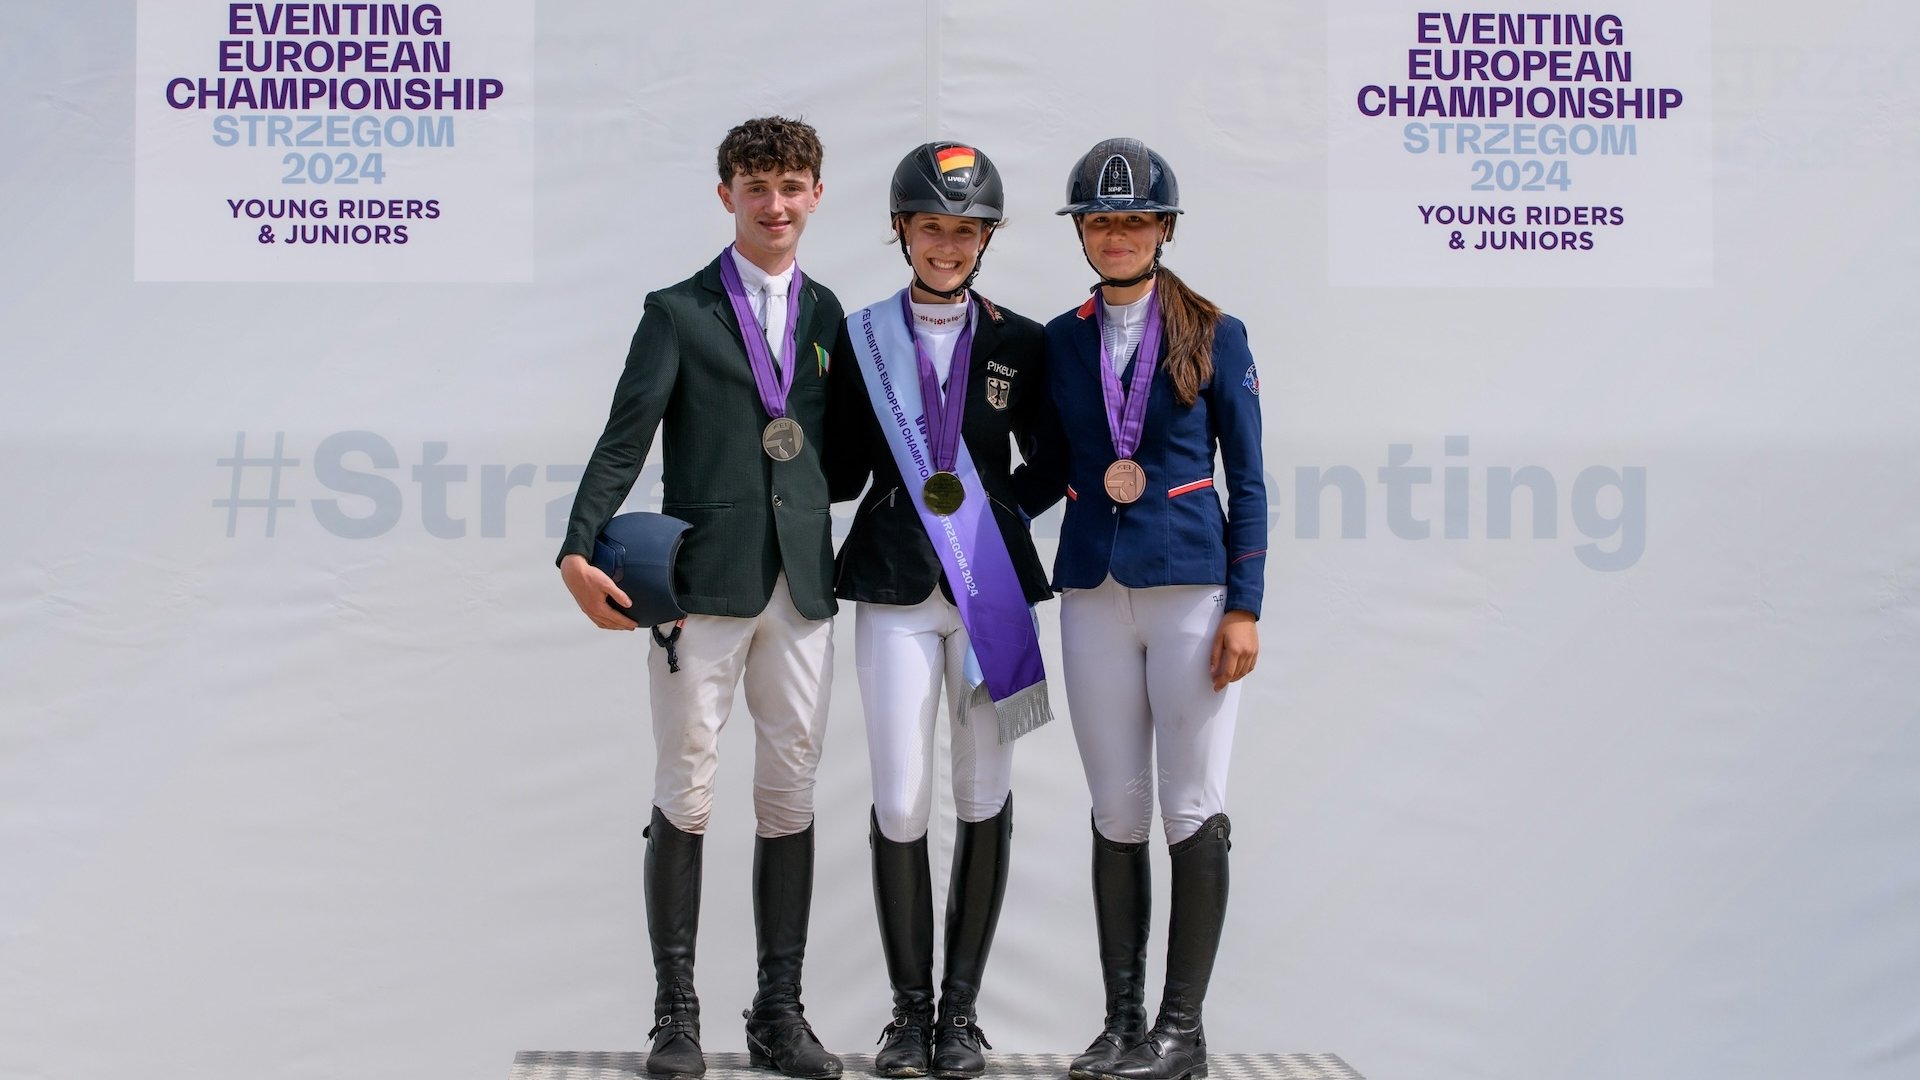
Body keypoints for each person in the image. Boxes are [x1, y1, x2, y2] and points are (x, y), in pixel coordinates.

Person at [555, 116, 847, 1080]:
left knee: (790, 790)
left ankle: (778, 1012)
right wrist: (575, 546)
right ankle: (675, 1016)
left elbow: (832, 456)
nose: (775, 204)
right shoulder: (677, 311)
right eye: (756, 185)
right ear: (726, 194)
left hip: (801, 586)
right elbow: (623, 436)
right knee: (686, 787)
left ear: (815, 194)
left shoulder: (830, 315)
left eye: (792, 185)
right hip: (701, 587)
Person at [827, 142, 1061, 1079]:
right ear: (902, 230)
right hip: (892, 586)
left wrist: (998, 517)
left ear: (987, 238)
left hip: (990, 592)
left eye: (967, 231)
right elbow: (843, 467)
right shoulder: (861, 335)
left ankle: (960, 1018)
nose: (949, 245)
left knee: (984, 793)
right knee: (900, 796)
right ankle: (906, 1017)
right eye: (933, 227)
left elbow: (1051, 462)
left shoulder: (1023, 343)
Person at [1044, 138, 1266, 1080]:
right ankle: (1124, 1023)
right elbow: (1050, 465)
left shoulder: (1217, 332)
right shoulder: (1059, 339)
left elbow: (1249, 478)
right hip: (1093, 587)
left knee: (1191, 804)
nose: (1119, 235)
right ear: (1084, 234)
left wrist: (1245, 606)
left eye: (1135, 221)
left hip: (1189, 587)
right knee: (1115, 807)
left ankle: (1183, 1031)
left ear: (1164, 229)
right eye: (1102, 221)